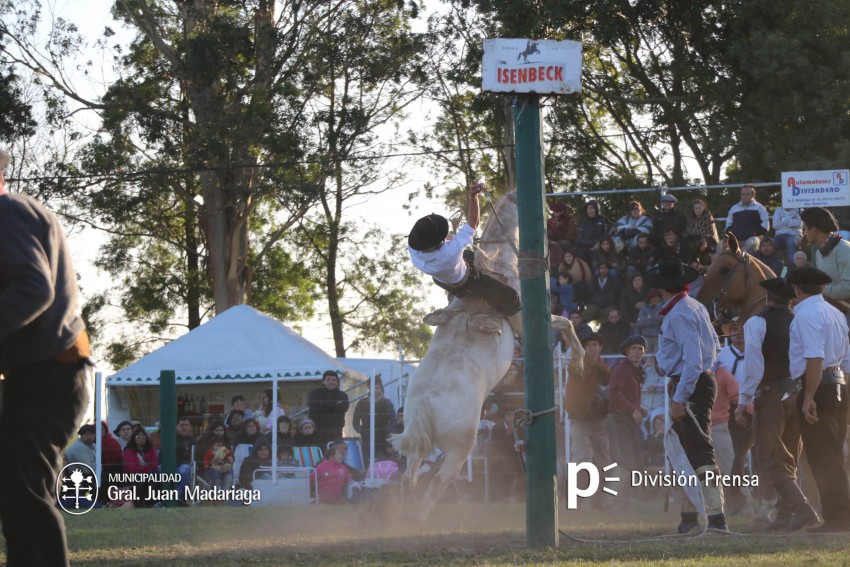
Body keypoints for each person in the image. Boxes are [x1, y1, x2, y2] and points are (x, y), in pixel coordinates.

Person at [0, 145, 92, 566]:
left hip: (47, 375)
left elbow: (34, 289)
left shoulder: (8, 212)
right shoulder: (21, 213)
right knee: (19, 495)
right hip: (47, 374)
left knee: (26, 495)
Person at [647, 257, 727, 533]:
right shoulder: (694, 307)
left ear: (661, 288)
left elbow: (693, 361)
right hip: (696, 382)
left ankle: (715, 519)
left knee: (697, 450)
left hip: (688, 384)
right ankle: (692, 517)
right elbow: (714, 346)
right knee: (684, 449)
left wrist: (681, 397)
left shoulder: (679, 313)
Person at [737, 277, 819, 531]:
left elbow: (753, 364)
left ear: (767, 298)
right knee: (790, 455)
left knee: (769, 454)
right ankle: (784, 514)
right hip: (795, 392)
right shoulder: (798, 320)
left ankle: (802, 508)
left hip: (771, 394)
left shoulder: (757, 322)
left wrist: (744, 399)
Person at [407, 182, 522, 337]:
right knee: (511, 297)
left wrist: (453, 239)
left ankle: (450, 306)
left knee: (468, 255)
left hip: (444, 281)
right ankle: (521, 332)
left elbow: (446, 240)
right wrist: (473, 196)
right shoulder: (450, 252)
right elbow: (473, 224)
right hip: (469, 282)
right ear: (438, 242)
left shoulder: (415, 250)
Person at [787, 266, 850, 532]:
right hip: (838, 385)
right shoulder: (836, 313)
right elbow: (846, 360)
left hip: (818, 387)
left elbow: (814, 357)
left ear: (797, 288)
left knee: (822, 456)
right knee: (833, 454)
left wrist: (808, 396)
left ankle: (838, 517)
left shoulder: (805, 315)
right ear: (822, 288)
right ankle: (839, 515)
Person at [564, 332, 612, 510]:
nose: (593, 348)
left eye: (595, 345)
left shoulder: (603, 367)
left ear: (600, 348)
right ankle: (574, 500)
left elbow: (610, 380)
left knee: (604, 462)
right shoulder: (577, 364)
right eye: (589, 345)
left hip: (600, 420)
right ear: (584, 348)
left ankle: (600, 501)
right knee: (582, 459)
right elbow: (578, 372)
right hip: (580, 419)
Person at [606, 335, 648, 505]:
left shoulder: (634, 370)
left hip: (626, 419)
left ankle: (625, 499)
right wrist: (633, 410)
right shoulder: (621, 369)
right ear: (626, 351)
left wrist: (639, 409)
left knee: (634, 460)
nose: (638, 352)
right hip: (618, 419)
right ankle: (611, 500)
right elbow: (613, 394)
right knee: (625, 460)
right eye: (634, 348)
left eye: (641, 348)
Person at [800, 206, 850, 314]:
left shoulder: (844, 250)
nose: (803, 233)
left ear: (813, 230)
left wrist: (822, 290)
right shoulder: (819, 253)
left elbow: (848, 287)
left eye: (804, 229)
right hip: (834, 311)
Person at [352, 377, 397, 467]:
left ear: (381, 388)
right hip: (367, 439)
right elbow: (355, 421)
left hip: (383, 440)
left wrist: (388, 432)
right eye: (372, 387)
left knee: (382, 464)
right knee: (368, 464)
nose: (375, 390)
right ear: (369, 388)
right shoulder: (362, 403)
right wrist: (361, 431)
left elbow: (393, 420)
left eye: (377, 387)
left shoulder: (387, 403)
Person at [308, 370, 350, 447]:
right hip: (319, 432)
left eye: (334, 380)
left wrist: (323, 404)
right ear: (323, 381)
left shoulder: (342, 395)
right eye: (328, 379)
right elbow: (315, 409)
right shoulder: (315, 393)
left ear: (337, 382)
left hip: (336, 431)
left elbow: (344, 408)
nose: (331, 382)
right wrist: (335, 405)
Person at [724, 184, 770, 254]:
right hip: (736, 238)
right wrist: (735, 236)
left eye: (747, 194)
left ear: (753, 195)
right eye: (743, 194)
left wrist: (751, 233)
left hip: (753, 237)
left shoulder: (760, 208)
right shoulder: (734, 209)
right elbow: (728, 227)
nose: (745, 196)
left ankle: (741, 260)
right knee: (721, 245)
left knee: (751, 243)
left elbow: (765, 227)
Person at [123, 425, 159, 507]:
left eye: (143, 436)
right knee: (139, 479)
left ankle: (152, 503)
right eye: (138, 436)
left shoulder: (151, 449)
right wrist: (146, 468)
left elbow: (154, 466)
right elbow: (132, 469)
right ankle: (139, 504)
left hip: (149, 475)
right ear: (134, 438)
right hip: (133, 477)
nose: (141, 438)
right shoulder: (129, 451)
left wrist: (142, 468)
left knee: (153, 478)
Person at [175, 417, 195, 502]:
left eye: (187, 425)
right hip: (170, 465)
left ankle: (176, 498)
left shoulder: (193, 441)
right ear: (176, 427)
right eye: (182, 425)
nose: (184, 427)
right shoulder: (171, 439)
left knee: (183, 471)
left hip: (185, 466)